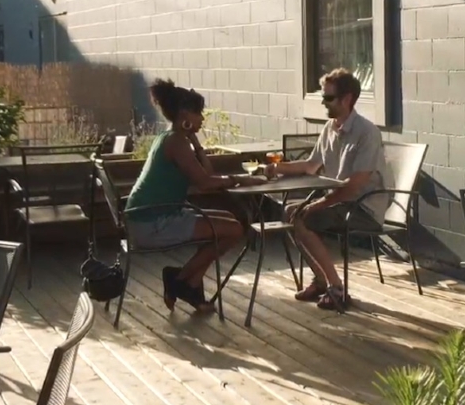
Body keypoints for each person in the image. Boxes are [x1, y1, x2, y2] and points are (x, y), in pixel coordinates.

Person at [126, 79, 259, 314]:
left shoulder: (175, 138)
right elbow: (206, 183)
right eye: (199, 113)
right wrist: (239, 179)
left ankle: (189, 284)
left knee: (231, 222)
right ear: (185, 113)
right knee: (234, 230)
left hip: (154, 215)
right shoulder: (175, 142)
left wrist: (196, 143)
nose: (202, 119)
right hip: (152, 223)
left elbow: (207, 173)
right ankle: (181, 281)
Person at [267, 68, 385, 312]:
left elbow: (355, 185)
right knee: (290, 212)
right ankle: (322, 280)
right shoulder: (330, 128)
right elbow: (312, 165)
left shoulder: (367, 133)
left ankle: (336, 287)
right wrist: (276, 169)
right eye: (323, 97)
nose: (323, 103)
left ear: (347, 99)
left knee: (304, 216)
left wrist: (320, 204)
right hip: (339, 202)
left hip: (363, 206)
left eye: (328, 98)